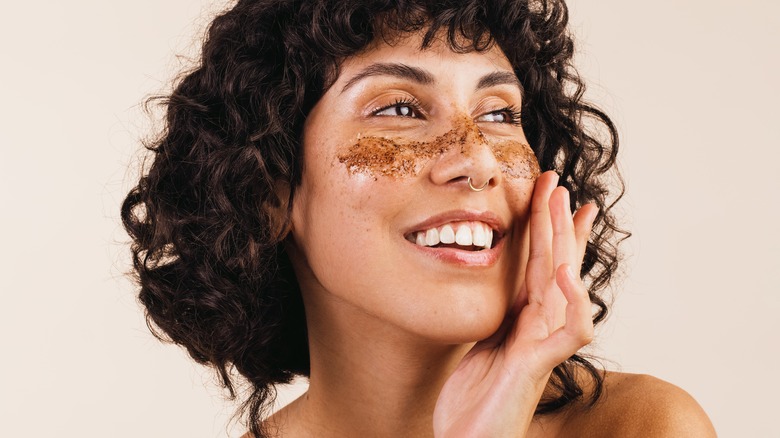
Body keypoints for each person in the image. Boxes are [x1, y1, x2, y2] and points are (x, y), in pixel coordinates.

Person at [121, 0, 716, 436]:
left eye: (501, 115)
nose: (478, 158)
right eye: (401, 108)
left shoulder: (639, 428)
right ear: (269, 192)